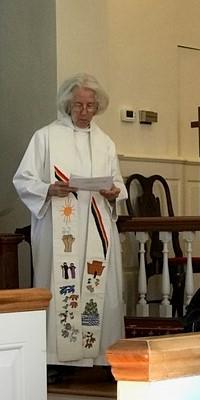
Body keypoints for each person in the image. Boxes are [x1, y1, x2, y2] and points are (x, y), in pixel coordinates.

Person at [13, 73, 127, 371]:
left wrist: (113, 193)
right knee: (59, 284)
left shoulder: (105, 142)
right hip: (60, 227)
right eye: (78, 105)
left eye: (90, 105)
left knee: (99, 288)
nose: (84, 111)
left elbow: (117, 183)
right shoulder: (45, 137)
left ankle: (101, 356)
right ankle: (53, 359)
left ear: (98, 106)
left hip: (96, 226)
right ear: (67, 104)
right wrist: (48, 189)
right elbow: (23, 179)